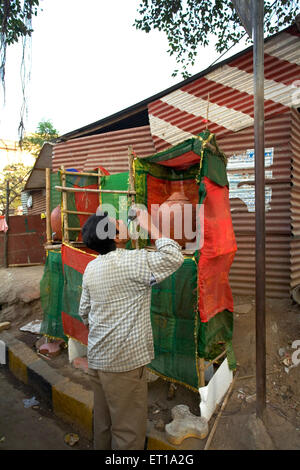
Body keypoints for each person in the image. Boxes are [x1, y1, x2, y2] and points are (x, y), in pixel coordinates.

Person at [78, 209, 184, 450]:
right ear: (114, 236)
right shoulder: (133, 261)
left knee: (103, 424)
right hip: (124, 364)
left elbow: (84, 312)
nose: (123, 223)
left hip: (98, 359)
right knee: (127, 433)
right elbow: (173, 256)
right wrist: (149, 225)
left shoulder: (91, 268)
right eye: (118, 223)